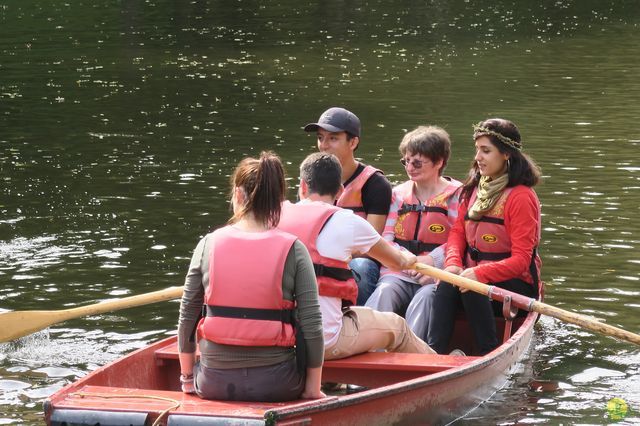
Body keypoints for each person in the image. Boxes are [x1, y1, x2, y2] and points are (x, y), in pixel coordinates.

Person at [177, 151, 325, 401]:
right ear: (277, 200)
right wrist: (312, 389)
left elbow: (187, 317)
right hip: (278, 384)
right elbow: (312, 326)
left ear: (238, 194)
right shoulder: (295, 249)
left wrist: (188, 380)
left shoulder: (207, 244)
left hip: (213, 383)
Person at [278, 152, 435, 361]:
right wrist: (410, 260)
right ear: (340, 191)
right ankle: (441, 368)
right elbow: (395, 261)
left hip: (279, 338)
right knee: (398, 327)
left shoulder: (274, 216)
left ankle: (332, 382)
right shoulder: (348, 222)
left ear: (303, 186)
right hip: (325, 341)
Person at [427, 118, 542, 356]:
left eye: (486, 151)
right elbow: (457, 233)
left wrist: (479, 273)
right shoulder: (473, 190)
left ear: (506, 155)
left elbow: (521, 260)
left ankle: (487, 354)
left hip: (515, 286)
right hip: (474, 278)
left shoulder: (521, 197)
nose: (478, 157)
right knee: (449, 283)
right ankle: (433, 354)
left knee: (472, 286)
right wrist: (453, 265)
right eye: (477, 149)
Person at [365, 126, 462, 341]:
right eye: (406, 161)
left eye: (417, 162)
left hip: (436, 275)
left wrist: (431, 261)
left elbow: (459, 238)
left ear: (439, 162)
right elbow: (386, 238)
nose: (410, 167)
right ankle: (367, 347)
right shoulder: (397, 195)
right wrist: (404, 260)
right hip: (399, 270)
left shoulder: (457, 196)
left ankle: (410, 352)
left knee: (426, 298)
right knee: (384, 291)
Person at [304, 107, 392, 305]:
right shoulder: (311, 178)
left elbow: (371, 245)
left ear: (353, 142)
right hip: (319, 255)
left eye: (333, 138)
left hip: (356, 260)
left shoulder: (375, 184)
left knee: (360, 266)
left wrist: (334, 254)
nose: (324, 146)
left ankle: (358, 324)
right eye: (320, 138)